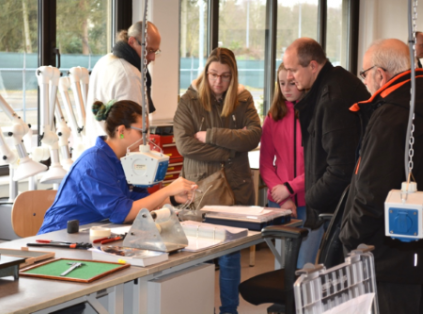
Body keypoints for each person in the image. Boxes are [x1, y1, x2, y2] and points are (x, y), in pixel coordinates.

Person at [339, 38, 423, 314]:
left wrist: (349, 238)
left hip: (392, 259)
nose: (365, 83)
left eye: (365, 74)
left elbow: (370, 191)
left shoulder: (391, 115)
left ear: (380, 75)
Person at [174, 47, 262, 314]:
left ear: (233, 76)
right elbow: (185, 145)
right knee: (194, 254)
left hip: (235, 189)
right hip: (200, 188)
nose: (218, 82)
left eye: (225, 76)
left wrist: (211, 134)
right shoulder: (189, 100)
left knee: (230, 254)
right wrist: (230, 148)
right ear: (206, 72)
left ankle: (229, 310)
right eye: (213, 74)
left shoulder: (243, 99)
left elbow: (254, 136)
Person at [39, 100, 195, 234]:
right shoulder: (94, 163)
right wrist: (167, 190)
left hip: (93, 232)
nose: (147, 139)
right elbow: (122, 213)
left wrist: (173, 198)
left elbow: (139, 203)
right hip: (60, 236)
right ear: (121, 131)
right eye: (143, 132)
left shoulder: (123, 161)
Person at [282, 38, 370, 233]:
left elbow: (341, 168)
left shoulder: (333, 97)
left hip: (340, 210)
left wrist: (312, 197)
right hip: (342, 205)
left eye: (294, 70)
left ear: (312, 66)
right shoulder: (332, 84)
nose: (290, 77)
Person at [260, 62, 321, 268]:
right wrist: (282, 195)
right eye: (282, 83)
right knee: (283, 267)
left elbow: (319, 166)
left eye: (293, 83)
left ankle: (303, 302)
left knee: (304, 266)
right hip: (280, 204)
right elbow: (266, 164)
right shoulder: (272, 117)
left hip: (311, 202)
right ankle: (285, 303)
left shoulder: (316, 115)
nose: (286, 88)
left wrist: (290, 188)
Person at [85, 21, 161, 146]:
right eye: (149, 50)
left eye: (156, 51)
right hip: (119, 154)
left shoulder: (104, 61)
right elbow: (134, 128)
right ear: (132, 41)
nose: (152, 57)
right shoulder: (129, 74)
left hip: (98, 147)